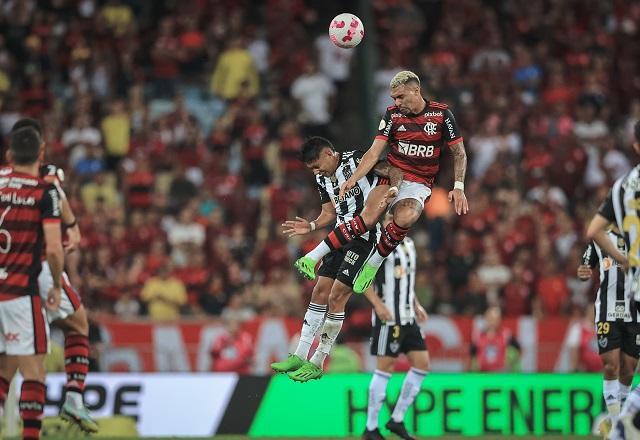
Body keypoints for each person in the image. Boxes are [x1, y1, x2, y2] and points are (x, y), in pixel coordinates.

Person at [294, 71, 469, 293]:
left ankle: (373, 263)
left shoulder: (442, 115)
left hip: (419, 181)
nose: (396, 102)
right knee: (367, 218)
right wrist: (353, 179)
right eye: (393, 98)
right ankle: (311, 258)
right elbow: (374, 153)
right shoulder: (392, 115)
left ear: (416, 91)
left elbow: (459, 153)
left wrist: (459, 186)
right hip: (390, 173)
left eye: (401, 97)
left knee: (406, 217)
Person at [271, 137, 401, 382]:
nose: (316, 171)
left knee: (336, 295)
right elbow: (329, 213)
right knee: (319, 292)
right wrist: (310, 225)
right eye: (312, 169)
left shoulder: (357, 160)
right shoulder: (322, 177)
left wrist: (392, 191)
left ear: (330, 154)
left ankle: (318, 360)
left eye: (317, 165)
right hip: (340, 236)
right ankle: (299, 354)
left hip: (364, 237)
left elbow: (393, 169)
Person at [10, 118, 98, 432]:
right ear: (40, 147)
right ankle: (74, 396)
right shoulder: (46, 178)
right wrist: (72, 227)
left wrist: (71, 225)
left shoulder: (7, 177)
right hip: (35, 267)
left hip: (8, 272)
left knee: (9, 365)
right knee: (76, 325)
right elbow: (56, 197)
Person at [0, 126, 64, 440]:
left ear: (10, 155)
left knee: (2, 373)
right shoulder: (44, 192)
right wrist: (55, 285)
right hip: (18, 294)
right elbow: (53, 246)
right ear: (41, 155)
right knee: (34, 371)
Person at [586, 121, 640, 439]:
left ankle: (621, 425)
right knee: (617, 365)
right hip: (619, 300)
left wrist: (624, 259)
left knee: (629, 367)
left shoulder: (622, 186)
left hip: (635, 289)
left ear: (635, 145)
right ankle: (621, 423)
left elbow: (593, 231)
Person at [363, 235, 429, 440]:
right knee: (385, 368)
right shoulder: (379, 243)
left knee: (422, 365)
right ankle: (371, 428)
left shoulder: (409, 243)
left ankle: (397, 419)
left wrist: (416, 304)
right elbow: (361, 277)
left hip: (409, 317)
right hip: (388, 318)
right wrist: (378, 304)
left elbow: (406, 278)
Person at [578, 227, 637, 437]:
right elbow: (585, 267)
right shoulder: (599, 238)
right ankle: (614, 425)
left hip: (635, 312)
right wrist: (583, 272)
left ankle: (619, 422)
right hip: (607, 311)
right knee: (611, 365)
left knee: (629, 370)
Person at [469, 306, 521, 372]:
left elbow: (517, 352)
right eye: (491, 318)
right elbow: (472, 357)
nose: (493, 321)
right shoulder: (478, 336)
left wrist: (509, 362)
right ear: (486, 318)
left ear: (500, 320)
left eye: (496, 318)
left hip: (501, 374)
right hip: (483, 374)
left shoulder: (506, 335)